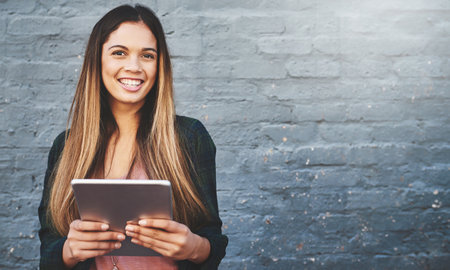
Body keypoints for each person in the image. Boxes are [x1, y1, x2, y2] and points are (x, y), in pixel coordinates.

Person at [38, 4, 228, 270]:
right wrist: (69, 251)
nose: (134, 66)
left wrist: (194, 247)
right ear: (97, 59)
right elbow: (47, 253)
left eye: (147, 56)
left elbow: (213, 241)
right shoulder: (67, 146)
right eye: (119, 53)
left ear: (159, 65)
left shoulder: (188, 137)